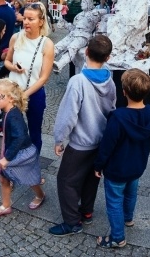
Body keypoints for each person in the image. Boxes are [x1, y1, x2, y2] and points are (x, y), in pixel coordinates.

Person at [49, 35, 117, 237]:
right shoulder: (110, 79)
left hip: (80, 144)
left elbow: (68, 115)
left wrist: (59, 138)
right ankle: (87, 211)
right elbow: (112, 110)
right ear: (108, 57)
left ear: (86, 52)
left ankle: (72, 222)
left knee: (66, 180)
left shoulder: (78, 81)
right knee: (90, 178)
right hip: (100, 142)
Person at [93, 69, 150, 249]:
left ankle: (117, 238)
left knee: (114, 202)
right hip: (138, 166)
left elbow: (107, 146)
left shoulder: (118, 117)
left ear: (124, 92)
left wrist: (98, 165)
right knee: (131, 193)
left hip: (117, 169)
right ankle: (128, 218)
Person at [0, 79, 46, 218]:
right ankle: (6, 205)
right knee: (4, 177)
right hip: (16, 150)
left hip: (22, 153)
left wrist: (6, 158)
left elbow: (19, 137)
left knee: (30, 178)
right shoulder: (8, 110)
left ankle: (40, 195)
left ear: (11, 99)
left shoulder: (13, 116)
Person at [4, 0, 55, 152]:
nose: (26, 22)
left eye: (31, 19)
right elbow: (6, 61)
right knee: (11, 131)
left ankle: (33, 162)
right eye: (24, 18)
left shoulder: (47, 44)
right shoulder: (16, 37)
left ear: (41, 21)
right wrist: (13, 67)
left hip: (34, 93)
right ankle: (10, 161)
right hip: (13, 92)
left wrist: (24, 95)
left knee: (34, 132)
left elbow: (44, 77)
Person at [53, 0, 106, 73]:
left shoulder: (94, 13)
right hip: (74, 33)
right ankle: (50, 56)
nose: (81, 4)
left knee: (72, 47)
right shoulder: (78, 16)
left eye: (83, 2)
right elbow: (73, 28)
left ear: (89, 3)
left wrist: (96, 11)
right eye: (82, 2)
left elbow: (105, 11)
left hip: (84, 36)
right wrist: (65, 24)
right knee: (61, 44)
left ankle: (60, 64)